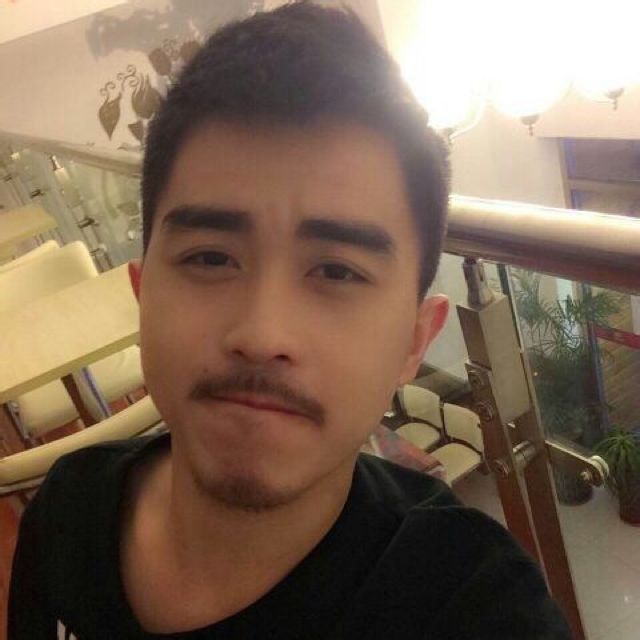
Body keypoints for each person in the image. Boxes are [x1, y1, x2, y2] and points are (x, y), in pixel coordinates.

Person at [8, 2, 572, 638]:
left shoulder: (475, 607)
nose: (261, 335)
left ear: (414, 342)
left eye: (337, 271)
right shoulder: (67, 510)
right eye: (210, 258)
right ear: (143, 296)